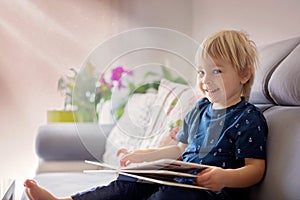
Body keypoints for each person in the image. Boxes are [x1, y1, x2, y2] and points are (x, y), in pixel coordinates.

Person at [24, 30, 268, 200]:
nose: (206, 80)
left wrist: (224, 177)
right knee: (129, 183)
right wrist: (144, 155)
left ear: (244, 75)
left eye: (216, 71)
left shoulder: (247, 118)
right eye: (201, 72)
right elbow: (179, 149)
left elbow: (255, 169)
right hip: (181, 179)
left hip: (211, 192)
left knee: (167, 197)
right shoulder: (200, 109)